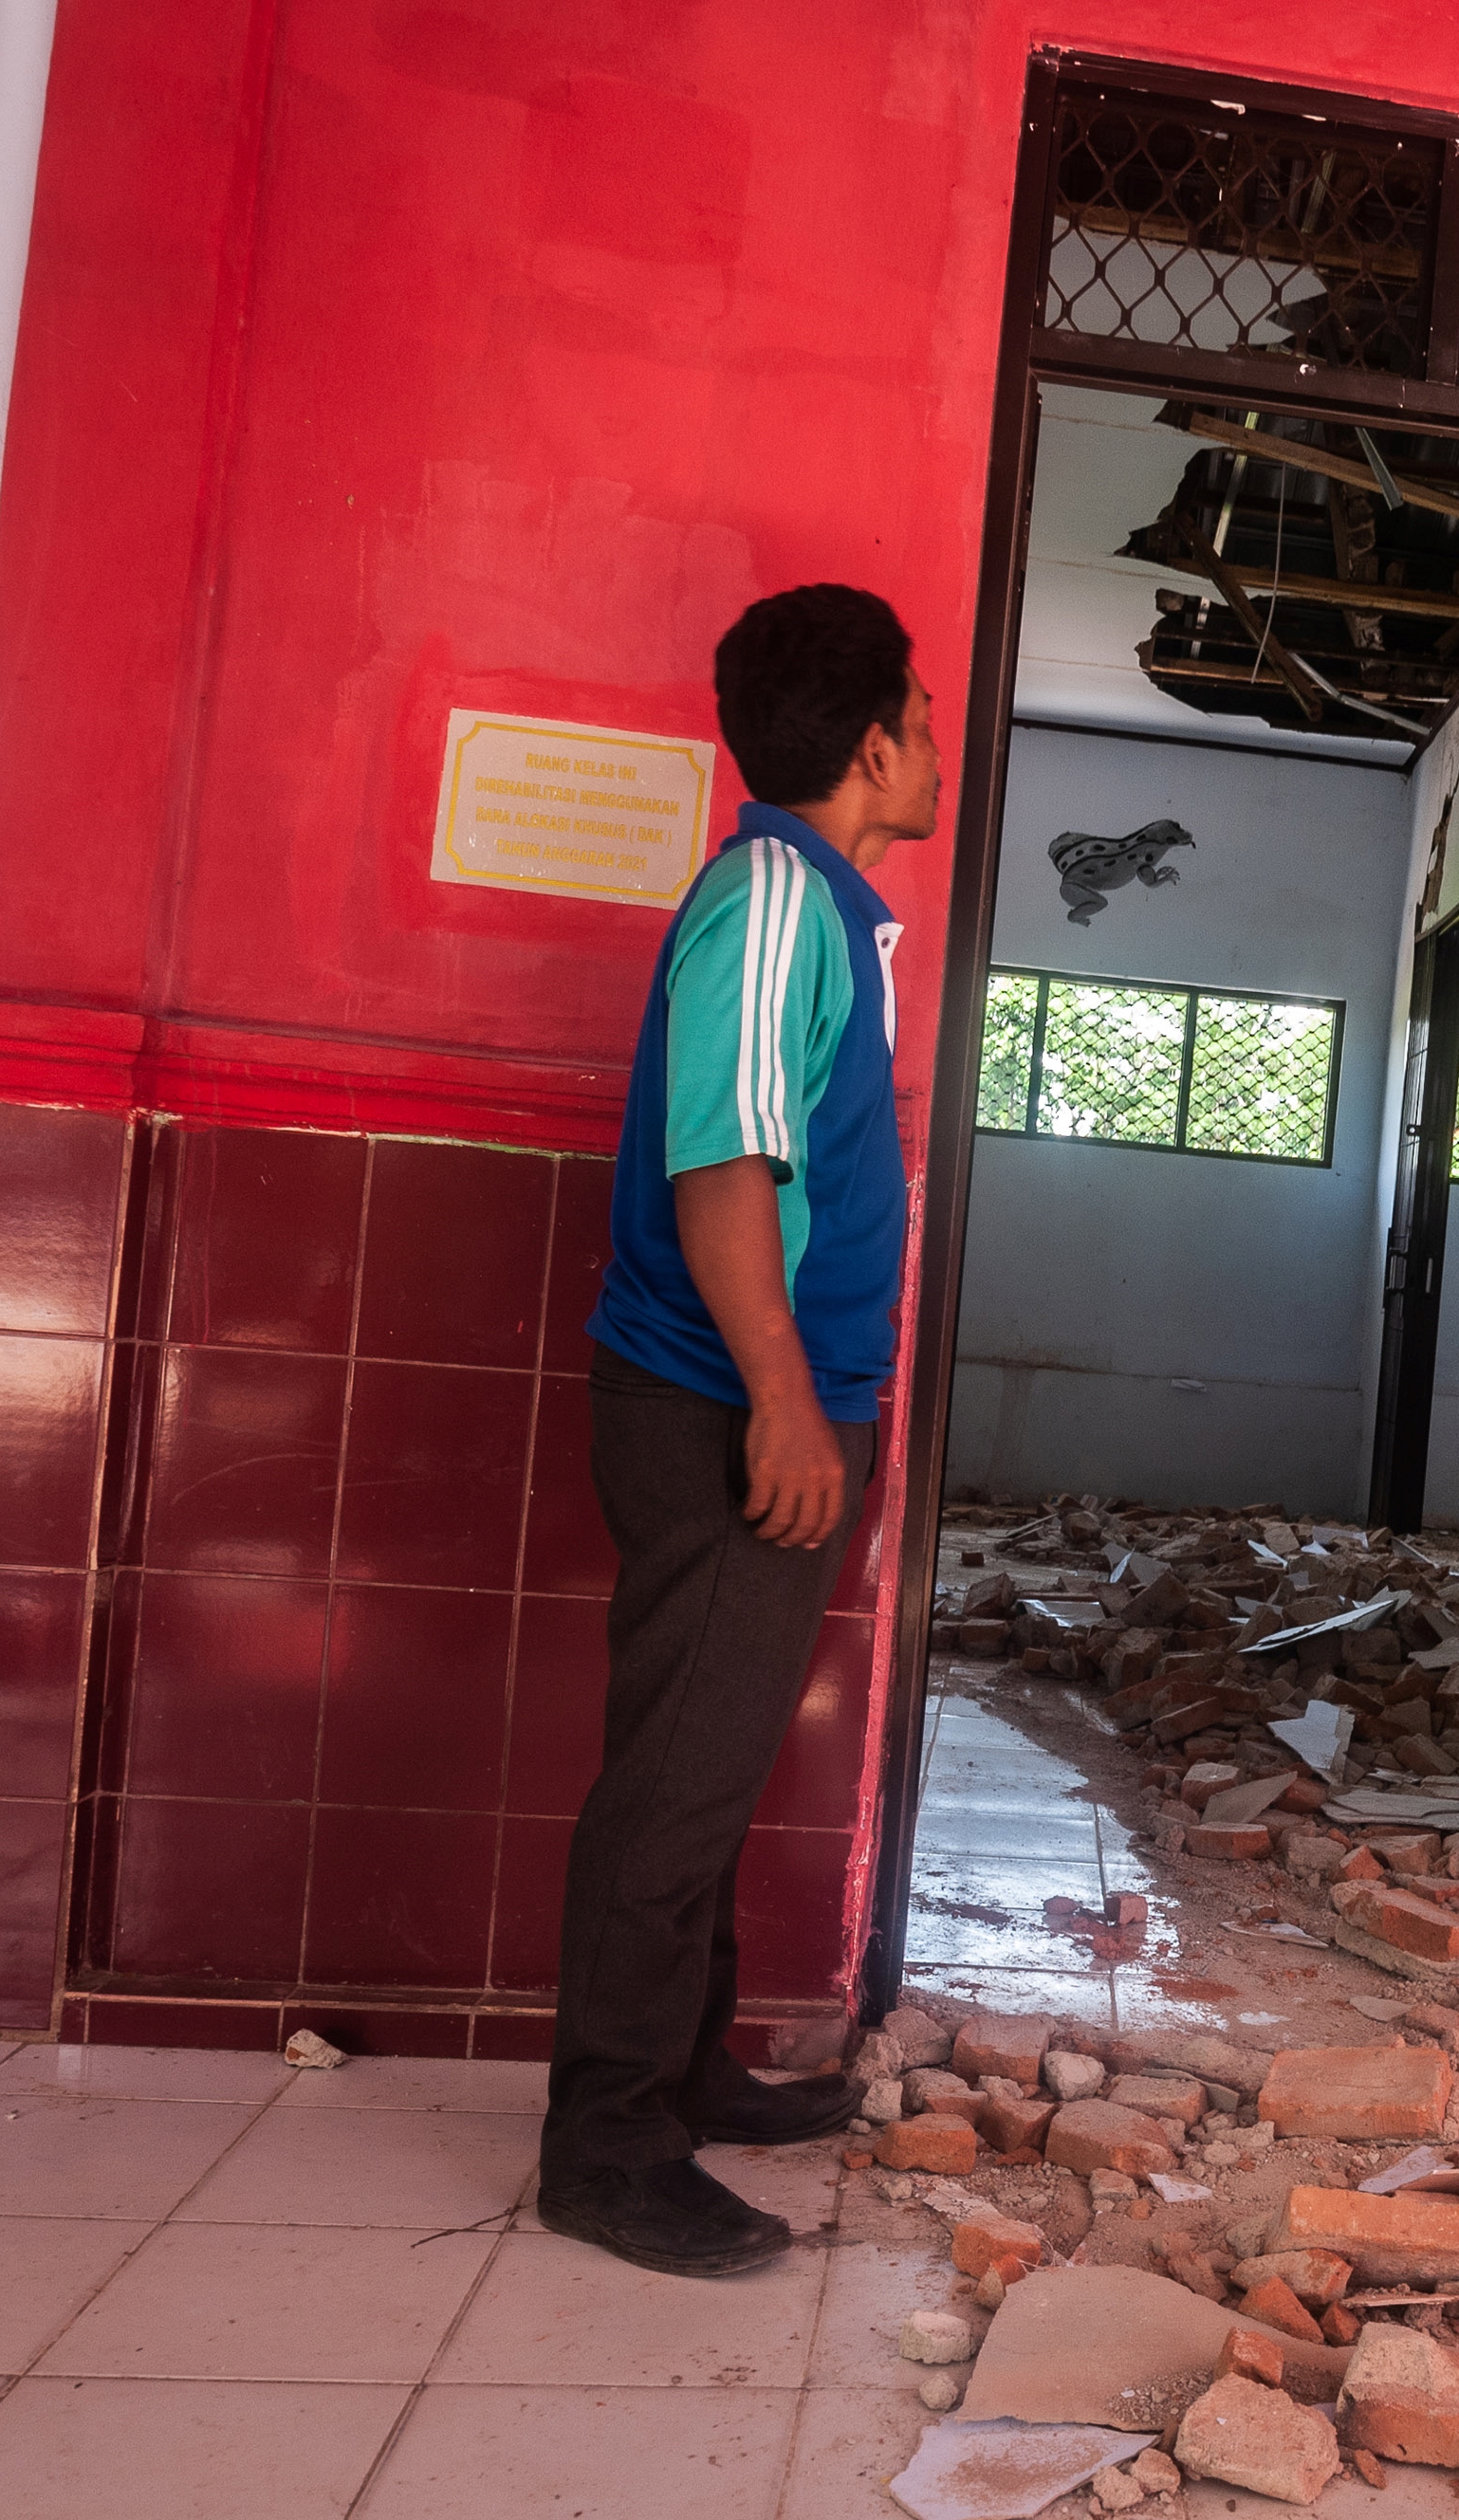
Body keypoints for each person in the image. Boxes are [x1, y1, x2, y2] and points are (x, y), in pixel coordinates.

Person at [537, 584, 939, 2276]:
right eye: (919, 722)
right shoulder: (777, 893)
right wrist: (784, 1395)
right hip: (721, 1401)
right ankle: (607, 2141)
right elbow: (726, 1171)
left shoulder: (820, 908)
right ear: (869, 746)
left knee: (706, 1753)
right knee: (680, 1775)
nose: (932, 751)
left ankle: (681, 2072)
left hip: (763, 1397)